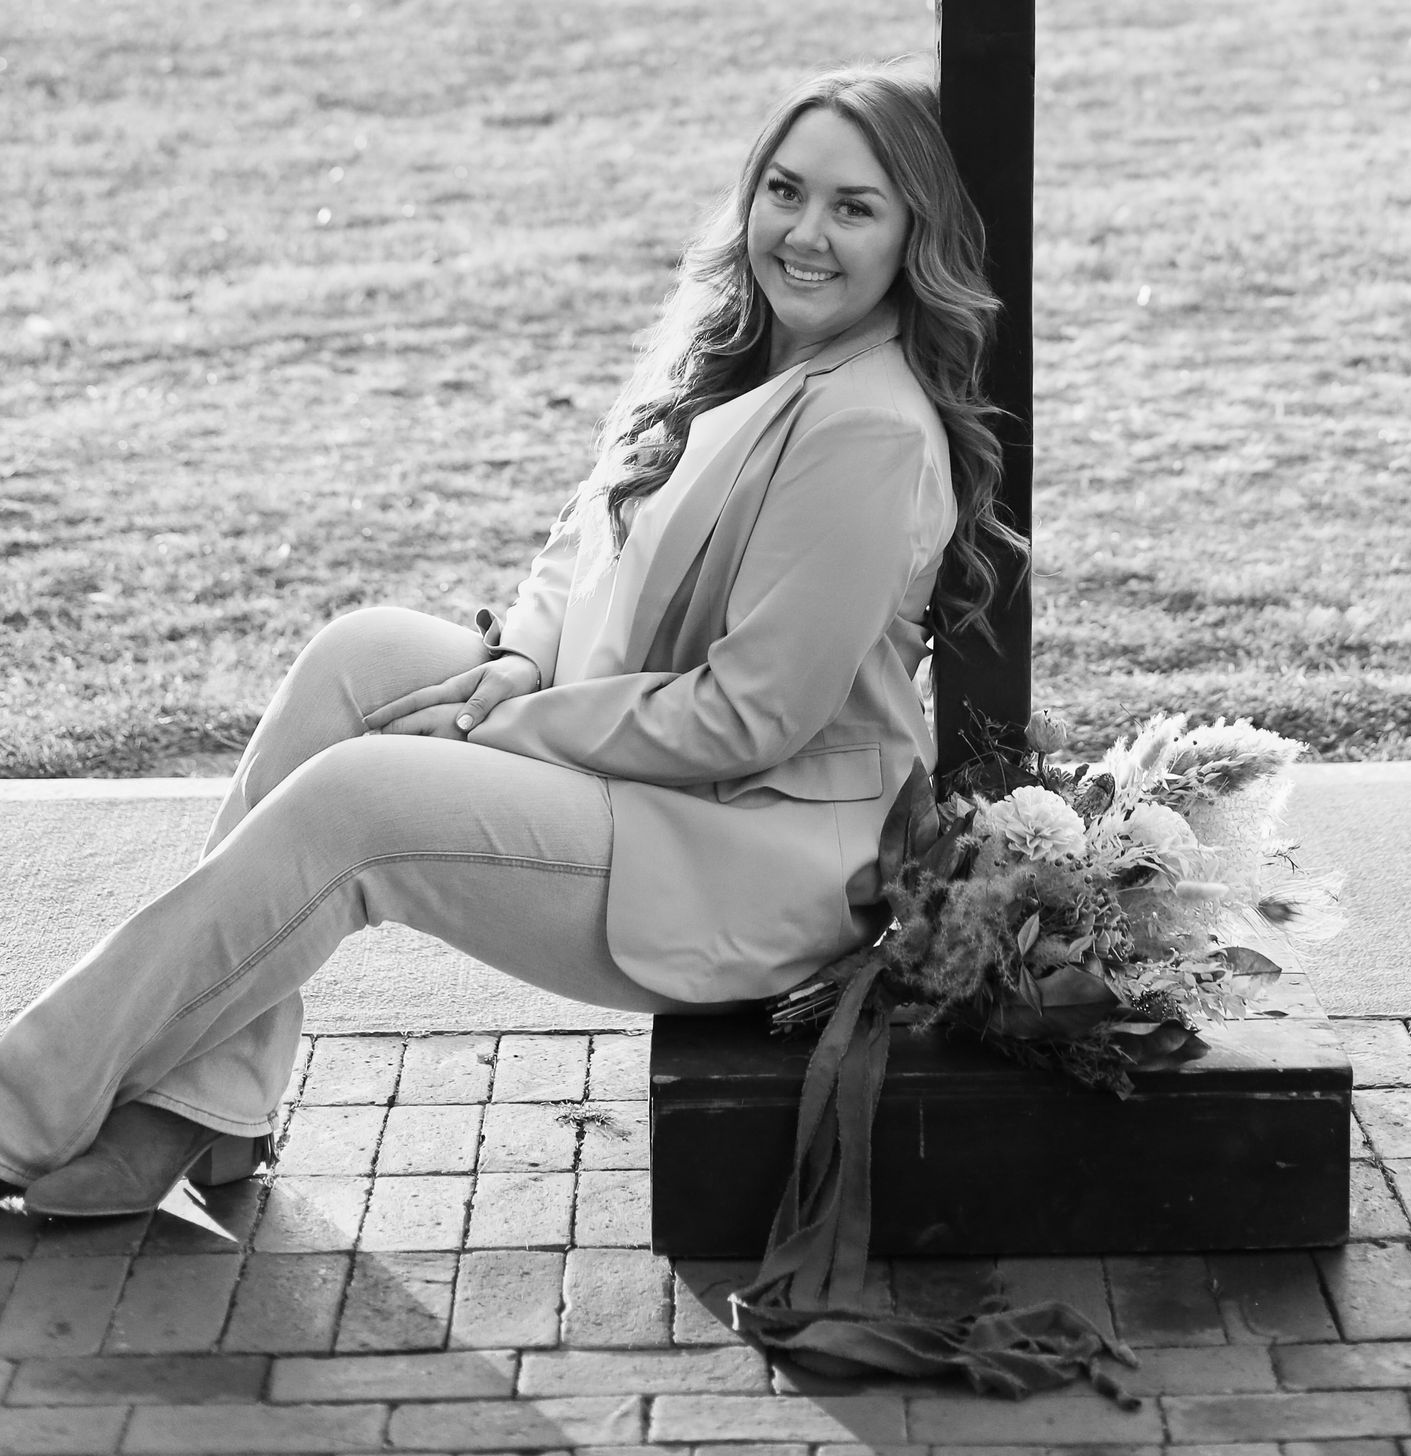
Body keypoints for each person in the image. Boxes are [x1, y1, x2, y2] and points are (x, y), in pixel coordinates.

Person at [0, 66, 1014, 1219]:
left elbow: (751, 717)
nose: (806, 233)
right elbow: (583, 548)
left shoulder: (865, 428)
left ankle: (25, 1106)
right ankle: (203, 1106)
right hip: (634, 753)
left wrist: (502, 721)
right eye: (784, 191)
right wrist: (521, 662)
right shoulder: (749, 349)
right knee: (362, 654)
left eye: (854, 206)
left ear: (911, 235)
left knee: (362, 805)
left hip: (757, 849)